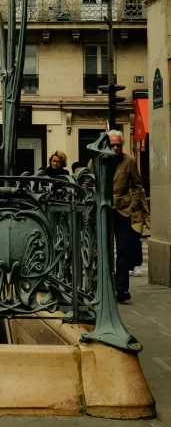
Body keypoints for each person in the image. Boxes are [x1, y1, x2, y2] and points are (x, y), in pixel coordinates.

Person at [91, 130, 149, 303]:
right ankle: (103, 286)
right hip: (102, 211)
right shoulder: (98, 159)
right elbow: (87, 180)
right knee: (102, 249)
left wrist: (131, 206)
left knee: (123, 249)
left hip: (122, 211)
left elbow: (138, 186)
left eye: (118, 145)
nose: (115, 148)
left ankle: (121, 288)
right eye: (112, 144)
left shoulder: (129, 161)